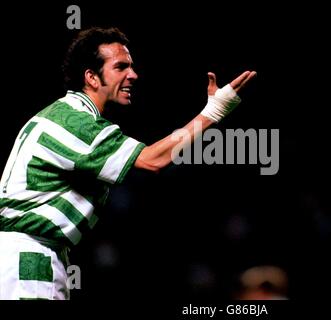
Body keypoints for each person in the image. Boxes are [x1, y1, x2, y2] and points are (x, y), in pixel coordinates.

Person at [0, 27, 256, 300]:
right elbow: (153, 160)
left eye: (132, 67)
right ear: (91, 77)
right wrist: (213, 112)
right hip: (29, 259)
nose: (133, 75)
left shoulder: (66, 113)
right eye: (120, 66)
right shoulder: (74, 120)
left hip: (29, 255)